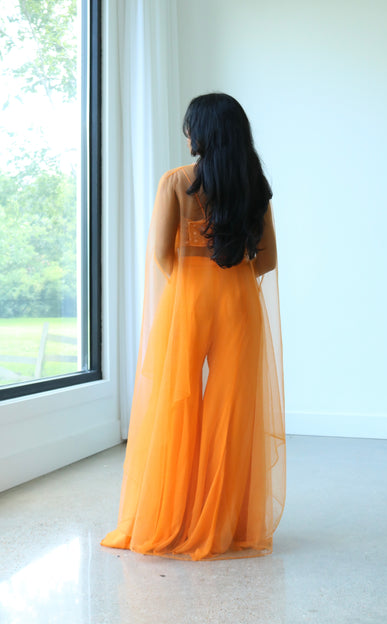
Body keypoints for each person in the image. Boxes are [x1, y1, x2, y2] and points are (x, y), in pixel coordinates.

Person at [101, 93, 286, 561]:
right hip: (239, 303)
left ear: (201, 133)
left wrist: (190, 282)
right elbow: (267, 261)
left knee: (175, 404)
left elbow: (161, 254)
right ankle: (222, 524)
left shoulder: (176, 181)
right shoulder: (255, 187)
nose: (187, 137)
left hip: (188, 303)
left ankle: (171, 517)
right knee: (231, 411)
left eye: (190, 128)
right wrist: (231, 275)